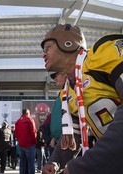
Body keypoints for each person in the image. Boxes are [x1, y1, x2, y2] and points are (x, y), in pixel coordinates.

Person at [41, 23, 123, 174]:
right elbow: (75, 136)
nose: (43, 54)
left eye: (47, 47)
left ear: (68, 43)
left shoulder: (102, 54)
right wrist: (56, 160)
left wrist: (84, 165)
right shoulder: (68, 92)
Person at [15, 108, 37, 174]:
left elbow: (16, 134)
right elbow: (33, 132)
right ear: (28, 113)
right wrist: (35, 142)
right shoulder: (30, 120)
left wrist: (20, 141)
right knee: (31, 163)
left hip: (21, 145)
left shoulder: (18, 121)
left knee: (22, 164)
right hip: (29, 145)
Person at [49, 72, 67, 148]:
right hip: (59, 140)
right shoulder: (62, 93)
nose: (55, 79)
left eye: (57, 75)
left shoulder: (72, 92)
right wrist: (54, 137)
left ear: (64, 74)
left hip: (67, 140)